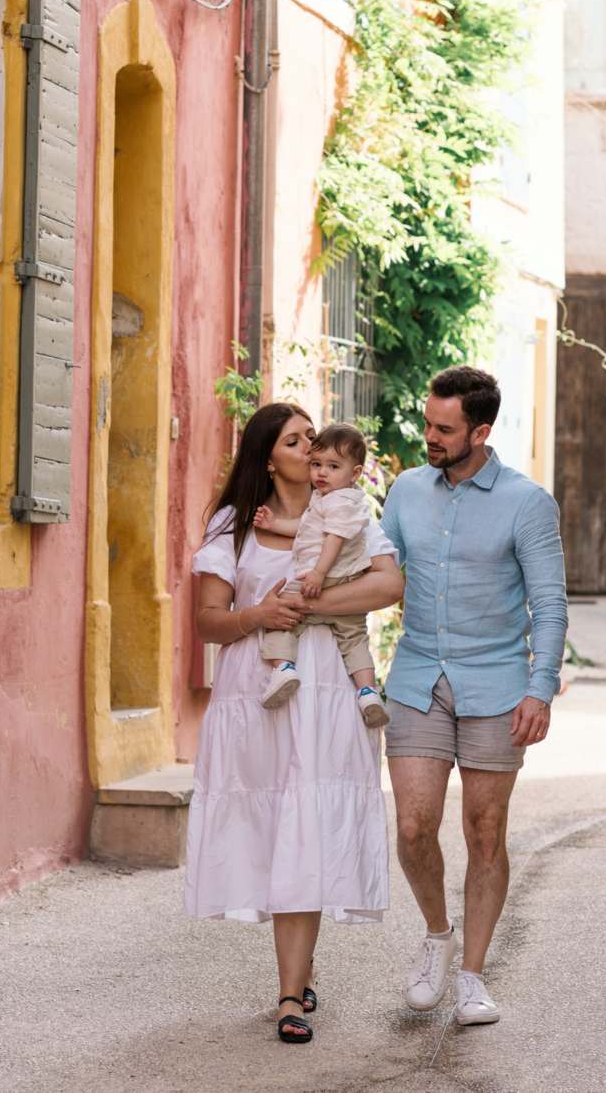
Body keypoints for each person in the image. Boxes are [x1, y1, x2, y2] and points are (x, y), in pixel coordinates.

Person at [184, 402, 404, 1044]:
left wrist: (304, 607)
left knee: (307, 821)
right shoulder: (234, 523)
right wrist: (260, 615)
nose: (311, 447)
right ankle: (298, 970)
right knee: (272, 824)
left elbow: (389, 585)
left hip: (330, 687)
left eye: (315, 438)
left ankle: (289, 995)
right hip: (257, 690)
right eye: (295, 439)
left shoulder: (344, 507)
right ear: (268, 455)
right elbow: (208, 621)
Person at [378, 366, 567, 1027]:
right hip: (416, 678)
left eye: (444, 429)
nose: (429, 436)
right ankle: (437, 934)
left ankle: (472, 976)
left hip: (497, 685)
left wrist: (540, 690)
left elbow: (549, 604)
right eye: (427, 422)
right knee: (411, 825)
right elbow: (374, 573)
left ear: (481, 432)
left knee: (485, 830)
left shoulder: (526, 502)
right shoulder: (404, 490)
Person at [253, 422, 390, 727]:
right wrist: (274, 524)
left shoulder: (341, 501)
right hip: (346, 586)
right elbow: (306, 529)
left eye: (332, 466)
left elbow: (334, 539)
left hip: (325, 579)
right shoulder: (331, 499)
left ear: (355, 474)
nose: (321, 473)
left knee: (281, 616)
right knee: (353, 639)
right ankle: (368, 691)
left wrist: (317, 573)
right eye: (316, 464)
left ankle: (284, 669)